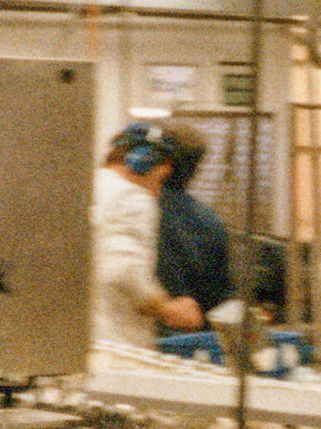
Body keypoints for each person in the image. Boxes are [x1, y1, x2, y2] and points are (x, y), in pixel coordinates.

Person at [93, 123, 203, 349]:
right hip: (119, 346)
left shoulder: (88, 188)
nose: (158, 191)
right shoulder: (132, 197)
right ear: (142, 162)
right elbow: (122, 270)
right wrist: (168, 309)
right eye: (161, 179)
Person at [154, 123, 235, 323]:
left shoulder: (134, 209)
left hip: (143, 331)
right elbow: (221, 299)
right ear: (195, 170)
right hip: (190, 335)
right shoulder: (209, 222)